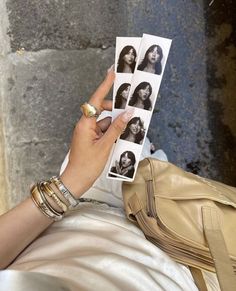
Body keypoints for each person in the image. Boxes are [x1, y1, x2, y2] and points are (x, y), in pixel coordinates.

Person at [0, 67, 214, 291]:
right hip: (179, 261)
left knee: (116, 137)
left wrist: (69, 184)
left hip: (75, 218)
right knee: (156, 176)